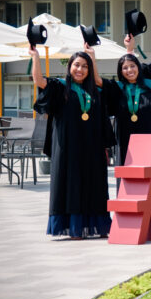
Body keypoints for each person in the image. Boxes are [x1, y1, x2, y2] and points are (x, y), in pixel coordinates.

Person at [30, 45, 113, 239]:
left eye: (85, 66)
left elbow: (102, 121)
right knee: (71, 185)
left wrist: (104, 148)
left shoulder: (95, 92)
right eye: (76, 65)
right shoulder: (60, 87)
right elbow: (39, 81)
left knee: (93, 185)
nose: (80, 69)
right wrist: (35, 57)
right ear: (69, 67)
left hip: (91, 147)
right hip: (67, 147)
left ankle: (96, 225)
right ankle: (74, 228)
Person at [95, 54, 151, 166]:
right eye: (125, 68)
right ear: (120, 71)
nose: (129, 70)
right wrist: (91, 55)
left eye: (132, 66)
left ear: (139, 68)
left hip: (150, 141)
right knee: (127, 175)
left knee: (148, 175)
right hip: (126, 142)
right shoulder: (117, 89)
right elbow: (97, 80)